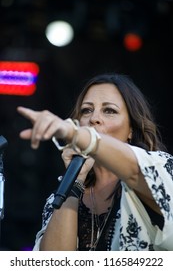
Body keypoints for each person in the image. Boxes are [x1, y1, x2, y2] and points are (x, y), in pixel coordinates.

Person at [17, 73, 173, 251]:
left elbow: (134, 170)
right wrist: (75, 182)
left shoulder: (160, 168)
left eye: (109, 110)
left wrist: (74, 133)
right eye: (87, 110)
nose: (94, 118)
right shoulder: (59, 196)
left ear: (131, 129)